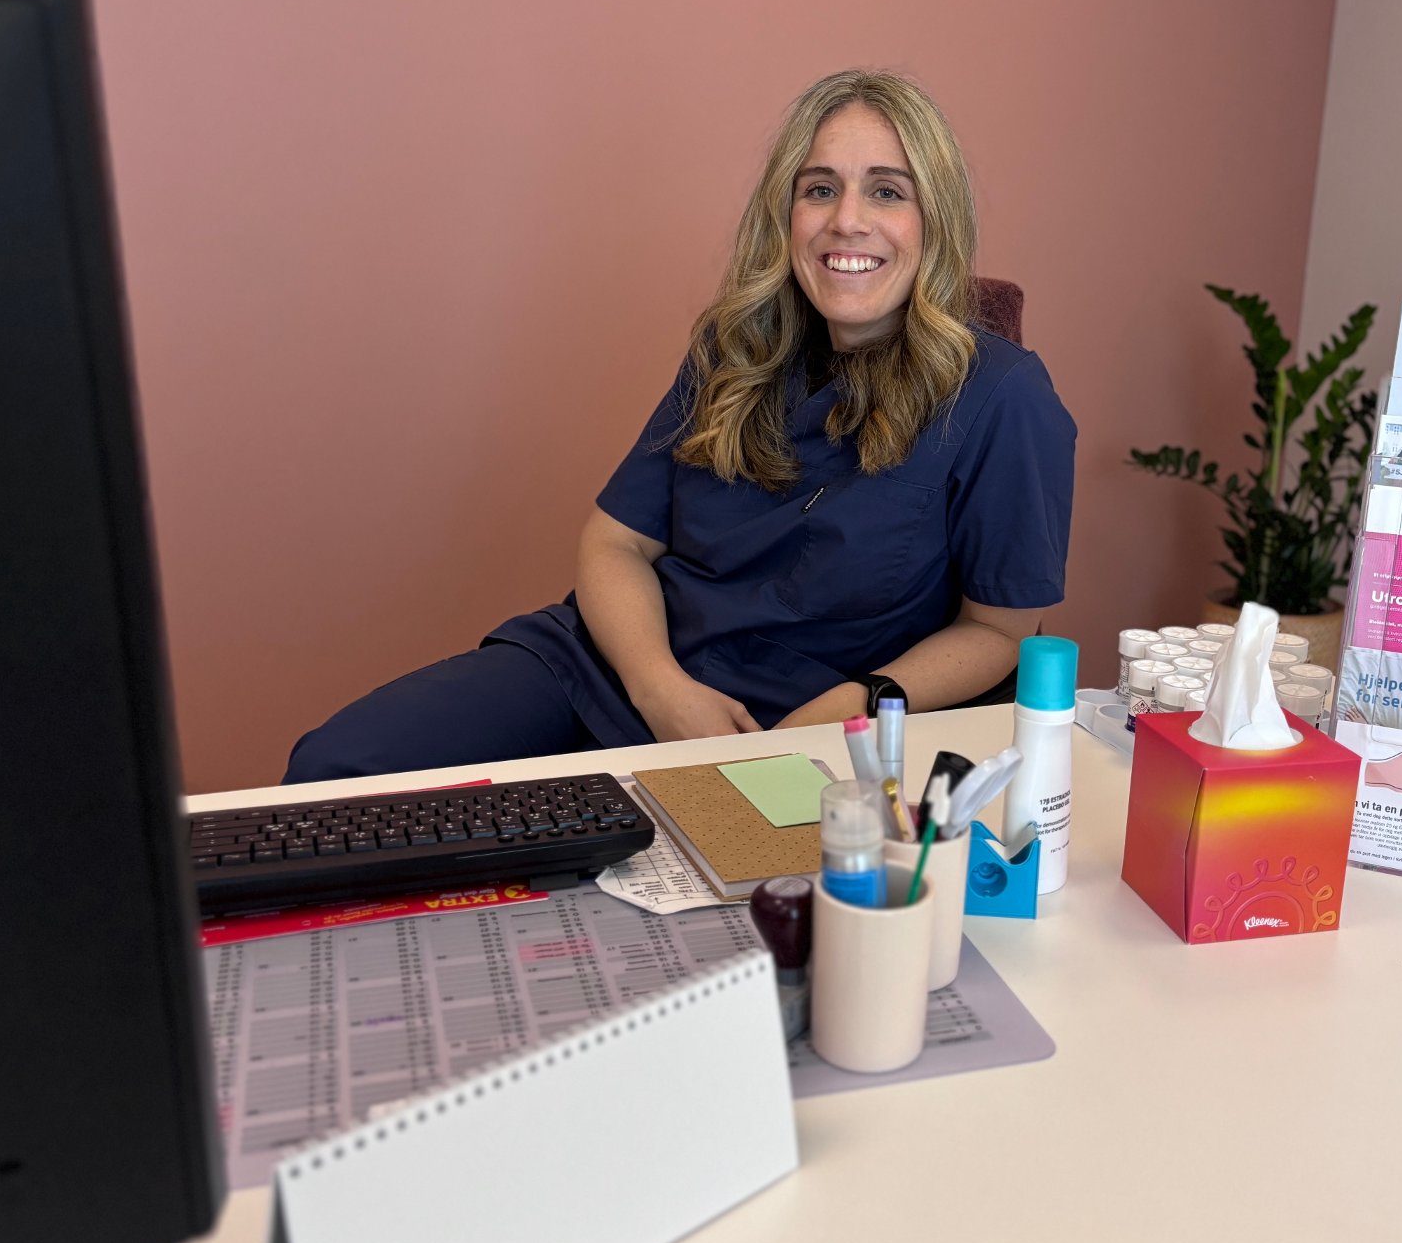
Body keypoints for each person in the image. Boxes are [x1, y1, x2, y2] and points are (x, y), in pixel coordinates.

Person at [286, 71, 1077, 783]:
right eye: (819, 188)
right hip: (610, 671)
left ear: (935, 219)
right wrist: (659, 688)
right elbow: (616, 543)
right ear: (786, 213)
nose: (847, 220)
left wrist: (863, 701)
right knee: (335, 772)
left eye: (887, 192)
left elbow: (999, 629)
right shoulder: (738, 347)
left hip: (791, 729)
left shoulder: (1001, 394)